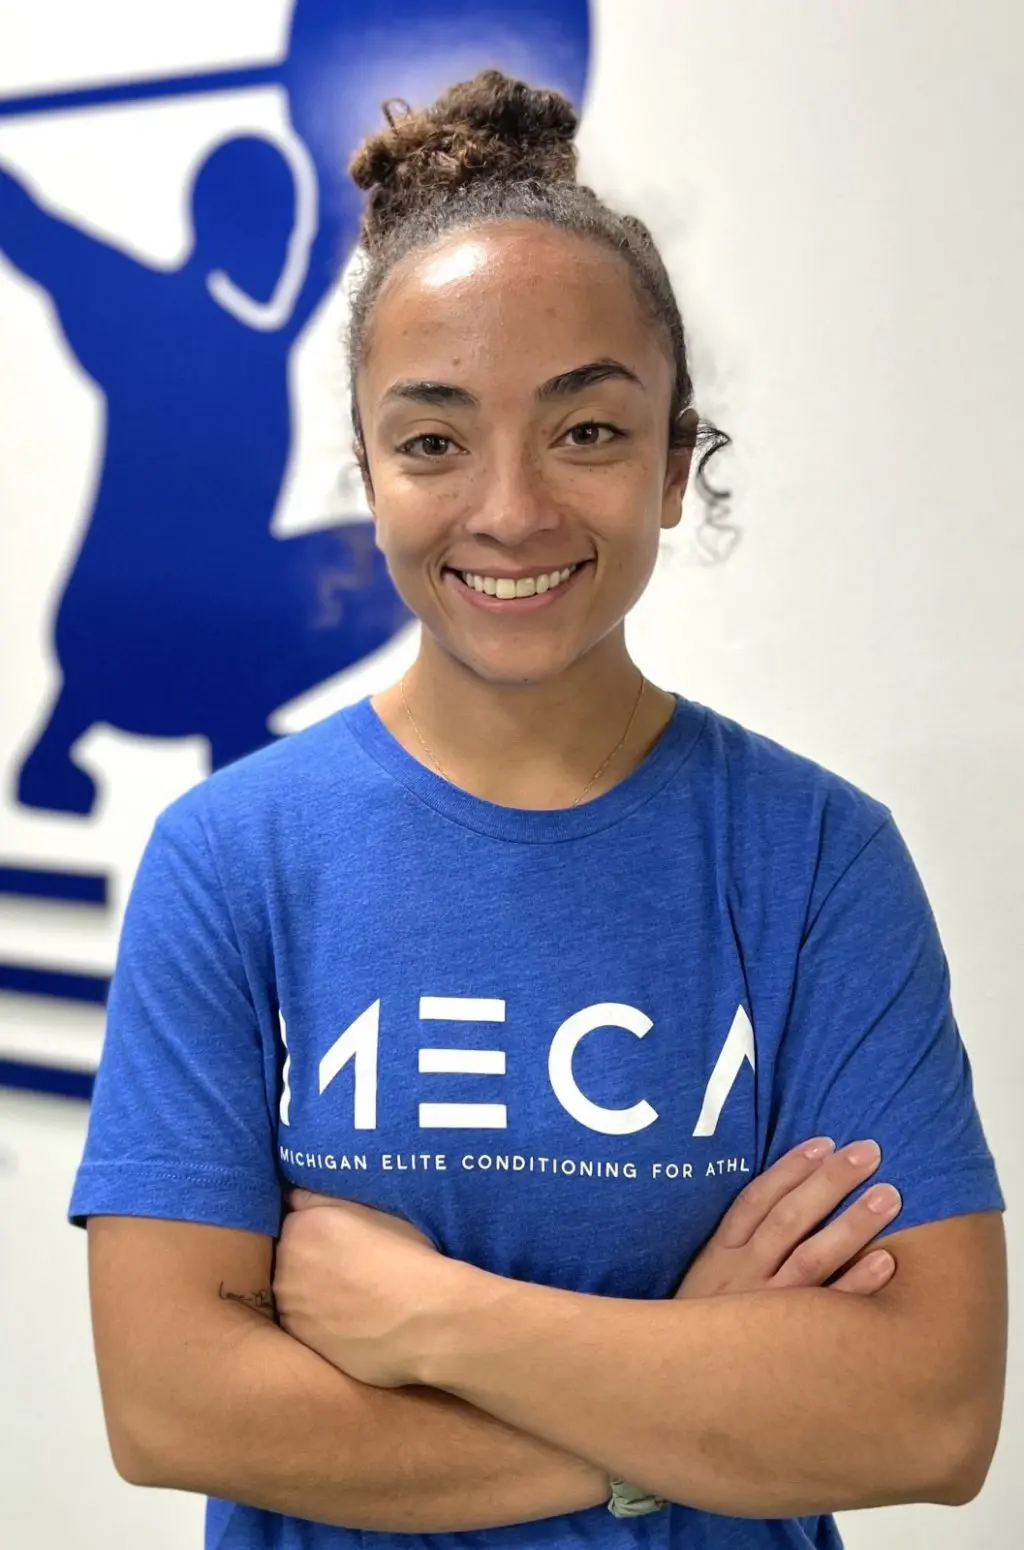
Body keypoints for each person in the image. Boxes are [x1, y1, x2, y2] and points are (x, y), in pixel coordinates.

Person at [69, 70, 1007, 1550]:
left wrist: (435, 1316)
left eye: (586, 431)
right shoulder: (233, 858)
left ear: (677, 461)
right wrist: (680, 1401)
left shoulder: (819, 860)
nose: (510, 508)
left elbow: (929, 1414)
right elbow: (176, 1406)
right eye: (436, 440)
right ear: (368, 472)